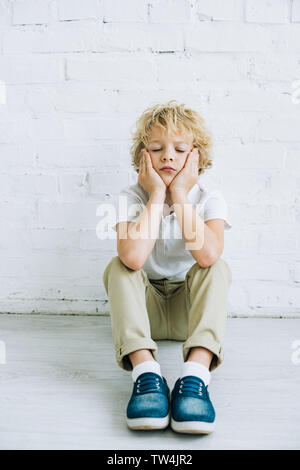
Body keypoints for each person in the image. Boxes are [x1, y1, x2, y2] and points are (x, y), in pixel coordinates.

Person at [102, 100, 232, 434]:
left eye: (179, 149)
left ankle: (195, 376)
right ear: (142, 156)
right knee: (117, 267)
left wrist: (182, 198)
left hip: (189, 312)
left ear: (196, 157)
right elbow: (132, 258)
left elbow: (207, 256)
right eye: (157, 148)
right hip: (146, 313)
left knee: (217, 267)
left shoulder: (210, 199)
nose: (168, 157)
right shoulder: (129, 197)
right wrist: (157, 196)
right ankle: (146, 373)